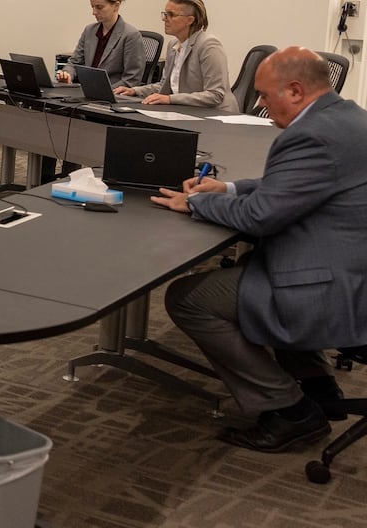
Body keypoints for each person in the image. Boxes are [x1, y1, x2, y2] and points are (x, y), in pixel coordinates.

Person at [151, 47, 367, 451]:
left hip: (336, 286)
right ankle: (319, 387)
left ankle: (291, 410)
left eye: (266, 97)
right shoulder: (348, 116)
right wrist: (228, 188)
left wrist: (196, 202)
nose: (262, 106)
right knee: (256, 263)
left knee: (188, 297)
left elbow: (260, 217)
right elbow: (293, 185)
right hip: (353, 266)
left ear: (296, 91)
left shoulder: (311, 135)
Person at [114, 0, 237, 112]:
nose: (165, 19)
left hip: (216, 116)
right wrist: (135, 91)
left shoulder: (209, 45)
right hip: (185, 112)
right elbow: (164, 86)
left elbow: (215, 95)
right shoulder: (173, 45)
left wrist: (169, 99)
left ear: (190, 20)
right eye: (165, 14)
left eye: (171, 15)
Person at [55, 0, 148, 87]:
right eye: (92, 7)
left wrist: (104, 90)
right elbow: (75, 62)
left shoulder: (131, 35)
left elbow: (132, 79)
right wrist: (67, 74)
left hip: (113, 96)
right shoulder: (89, 30)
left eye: (99, 7)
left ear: (116, 6)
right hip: (87, 90)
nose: (94, 12)